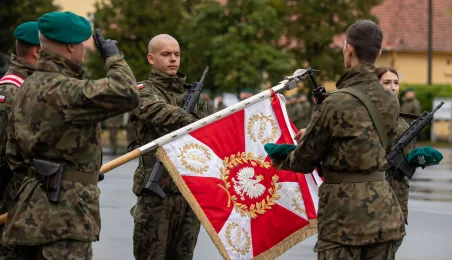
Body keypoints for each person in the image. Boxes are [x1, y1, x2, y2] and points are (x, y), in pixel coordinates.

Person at [2, 11, 139, 259]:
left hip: (28, 213)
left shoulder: (24, 88)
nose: (84, 51)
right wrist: (113, 57)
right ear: (69, 46)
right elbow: (127, 92)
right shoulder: (64, 89)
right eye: (81, 45)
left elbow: (14, 155)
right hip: (64, 219)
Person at [273, 20, 405, 259]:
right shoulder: (390, 101)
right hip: (385, 216)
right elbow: (375, 145)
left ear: (349, 50)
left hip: (342, 222)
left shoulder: (335, 103)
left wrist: (282, 155)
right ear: (379, 53)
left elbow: (304, 161)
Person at [130, 34, 211, 260]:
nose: (173, 59)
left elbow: (211, 134)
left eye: (176, 54)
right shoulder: (142, 91)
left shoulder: (196, 97)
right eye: (165, 54)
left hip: (188, 192)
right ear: (151, 58)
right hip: (156, 194)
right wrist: (191, 121)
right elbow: (158, 111)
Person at [0, 21, 40, 259]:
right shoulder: (12, 90)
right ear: (38, 50)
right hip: (13, 201)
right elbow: (3, 155)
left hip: (29, 202)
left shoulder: (32, 86)